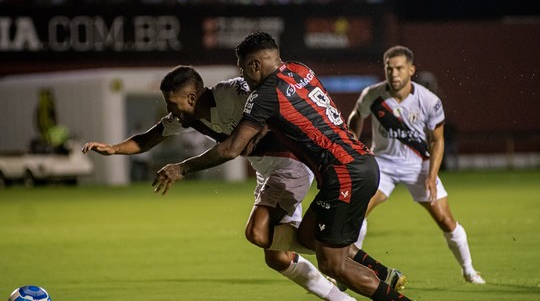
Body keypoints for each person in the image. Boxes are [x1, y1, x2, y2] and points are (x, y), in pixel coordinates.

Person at [152, 32, 411, 301]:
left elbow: (231, 148)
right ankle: (380, 270)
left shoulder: (263, 94)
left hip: (343, 173)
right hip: (359, 163)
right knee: (310, 238)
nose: (243, 78)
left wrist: (181, 169)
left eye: (243, 69)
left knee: (334, 265)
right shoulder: (301, 70)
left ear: (254, 65)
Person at [83, 65, 363, 300]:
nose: (170, 111)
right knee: (277, 257)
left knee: (256, 231)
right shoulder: (187, 118)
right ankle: (341, 286)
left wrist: (182, 168)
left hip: (290, 162)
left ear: (192, 97)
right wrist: (113, 149)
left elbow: (267, 103)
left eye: (173, 104)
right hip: (268, 170)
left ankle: (342, 249)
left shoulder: (234, 92)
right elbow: (148, 139)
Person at [347, 45, 485, 284]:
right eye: (389, 69)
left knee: (445, 220)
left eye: (399, 68)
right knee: (357, 213)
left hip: (418, 167)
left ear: (411, 69)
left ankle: (469, 271)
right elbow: (356, 117)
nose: (394, 74)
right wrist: (351, 149)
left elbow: (437, 141)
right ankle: (348, 271)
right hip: (383, 165)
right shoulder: (372, 94)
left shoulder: (429, 101)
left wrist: (431, 175)